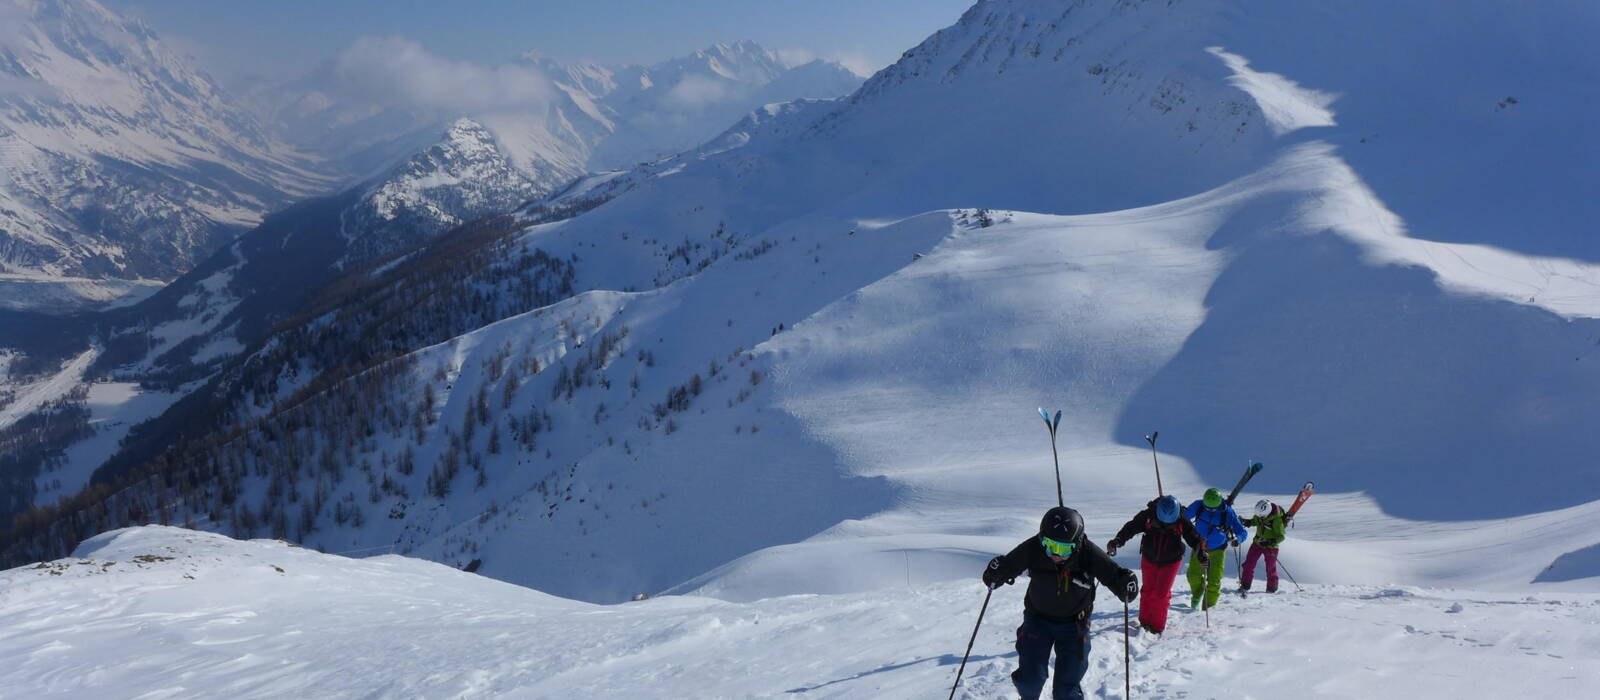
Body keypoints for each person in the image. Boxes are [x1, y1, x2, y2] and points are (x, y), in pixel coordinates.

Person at [983, 506, 1139, 700]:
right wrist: (996, 574)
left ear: (1078, 543)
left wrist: (1125, 585)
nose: (1055, 554)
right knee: (1029, 681)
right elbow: (1009, 565)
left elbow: (1114, 576)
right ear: (1042, 538)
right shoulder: (1034, 547)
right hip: (1037, 620)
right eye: (1050, 545)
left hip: (1075, 625)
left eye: (1064, 549)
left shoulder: (1088, 553)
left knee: (1066, 690)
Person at [1105, 495, 1205, 635]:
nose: (1165, 525)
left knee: (1161, 594)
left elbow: (1195, 538)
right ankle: (1144, 622)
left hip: (1171, 561)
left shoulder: (1182, 520)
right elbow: (1131, 527)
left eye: (1169, 522)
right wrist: (1117, 541)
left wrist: (1201, 554)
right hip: (1149, 558)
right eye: (1162, 521)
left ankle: (1156, 627)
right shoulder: (1148, 515)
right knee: (1147, 590)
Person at [1183, 487, 1247, 610]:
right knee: (1193, 576)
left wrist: (1238, 540)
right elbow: (1184, 517)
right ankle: (1197, 594)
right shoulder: (1198, 506)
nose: (1211, 511)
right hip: (1199, 546)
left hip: (1218, 549)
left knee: (1214, 581)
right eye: (1208, 508)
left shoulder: (1228, 512)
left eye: (1213, 509)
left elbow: (1241, 531)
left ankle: (1209, 608)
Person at [1239, 498, 1293, 593]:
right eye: (1259, 516)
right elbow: (1255, 521)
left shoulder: (1276, 520)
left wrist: (1271, 542)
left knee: (1270, 568)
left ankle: (1271, 588)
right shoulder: (1260, 514)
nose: (1260, 518)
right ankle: (1245, 585)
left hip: (1271, 547)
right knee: (1248, 564)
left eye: (1262, 516)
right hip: (1257, 543)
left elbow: (1281, 536)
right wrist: (1248, 522)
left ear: (1267, 512)